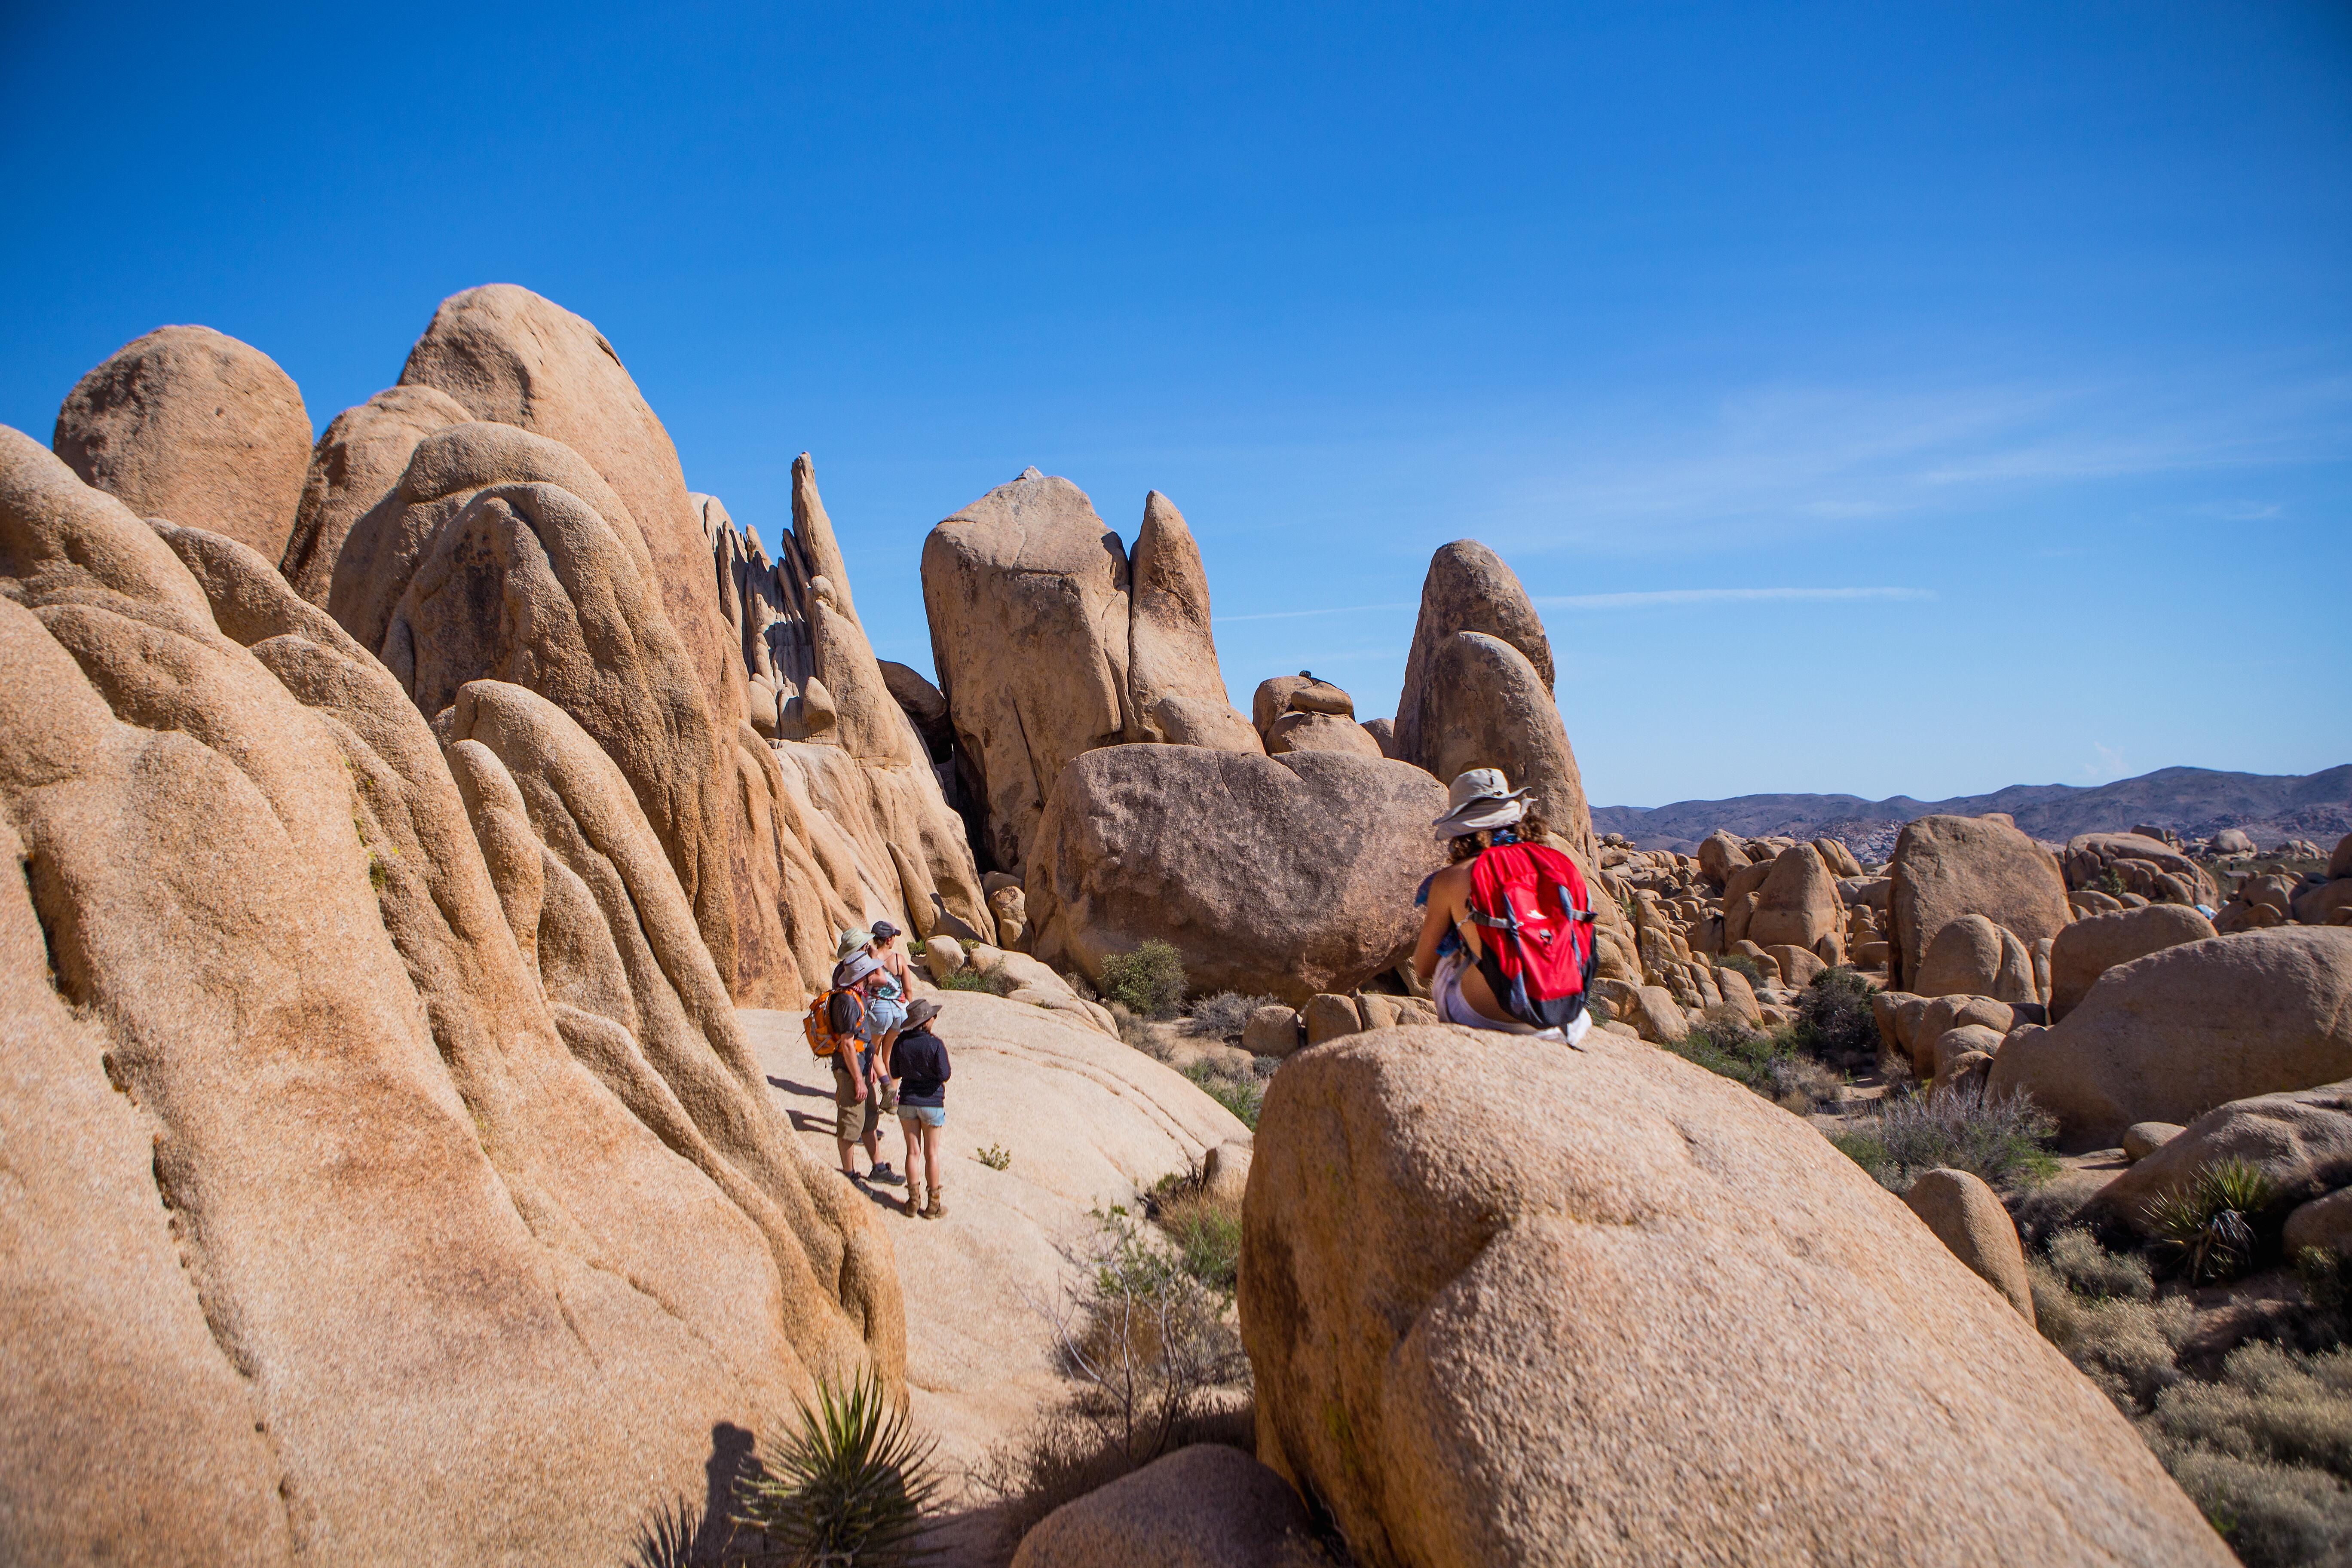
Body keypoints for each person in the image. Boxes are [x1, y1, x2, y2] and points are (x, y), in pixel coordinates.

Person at [1412, 768, 1591, 1047]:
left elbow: (1423, 968)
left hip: (1483, 1017)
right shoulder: (1557, 863)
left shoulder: (1453, 878)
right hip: (1565, 1016)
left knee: (1453, 952)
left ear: (1462, 826)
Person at [828, 951, 903, 1183]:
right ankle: (850, 1175)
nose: (875, 973)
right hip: (851, 1072)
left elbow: (862, 1039)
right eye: (871, 970)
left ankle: (878, 1168)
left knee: (869, 1118)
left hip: (862, 1068)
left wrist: (869, 1065)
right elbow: (848, 1044)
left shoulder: (858, 996)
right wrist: (858, 1079)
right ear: (864, 974)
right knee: (850, 1124)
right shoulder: (847, 1001)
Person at [889, 996, 953, 1219]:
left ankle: (912, 1202)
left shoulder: (901, 1042)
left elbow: (895, 1072)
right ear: (925, 1021)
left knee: (913, 1152)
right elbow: (945, 1074)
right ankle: (933, 1206)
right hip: (932, 1103)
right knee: (932, 1153)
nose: (935, 1018)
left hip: (907, 1101)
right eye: (932, 1016)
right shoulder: (935, 1044)